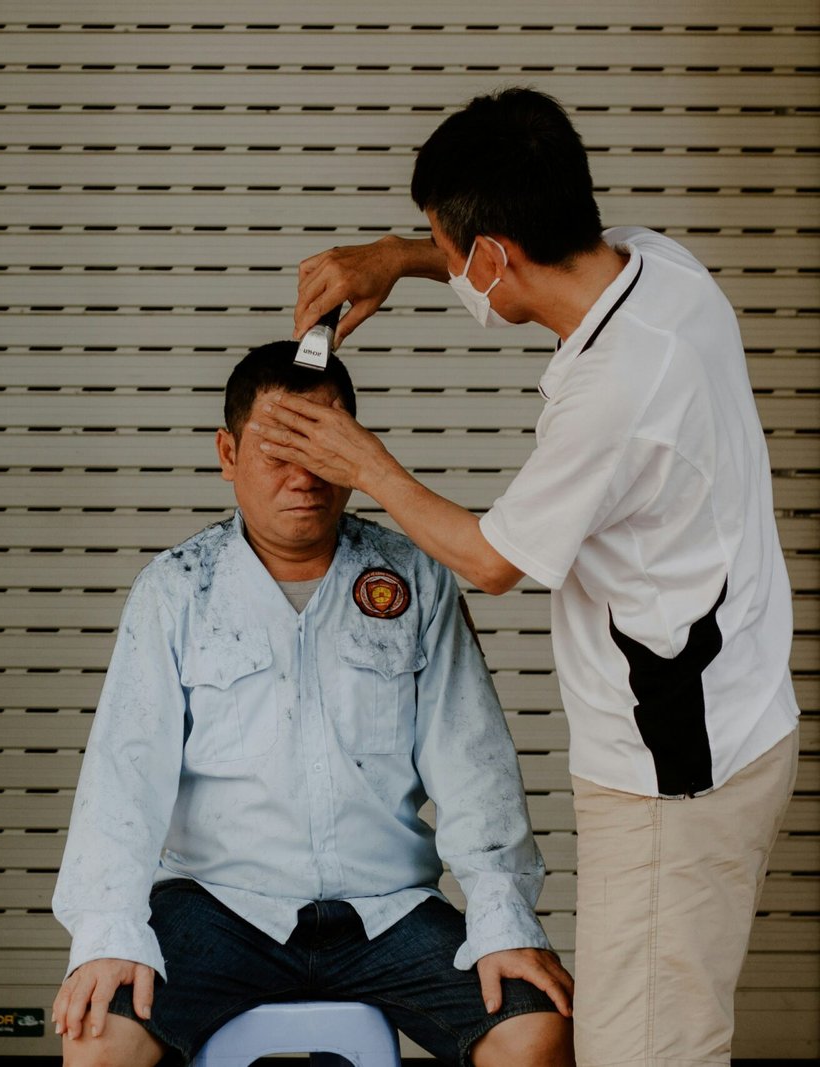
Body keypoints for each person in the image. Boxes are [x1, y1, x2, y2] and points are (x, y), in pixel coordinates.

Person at [266, 87, 800, 1067]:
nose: (449, 263)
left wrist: (363, 461)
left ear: (493, 254)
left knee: (644, 1051)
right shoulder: (659, 270)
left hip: (669, 782)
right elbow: (504, 259)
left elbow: (494, 558)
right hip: (745, 717)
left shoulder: (611, 391)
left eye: (449, 244)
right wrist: (400, 255)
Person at [50, 343, 575, 1067]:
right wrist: (108, 930)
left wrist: (503, 916)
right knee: (98, 1034)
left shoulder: (412, 578)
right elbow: (122, 774)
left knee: (533, 1026)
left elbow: (474, 762)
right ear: (227, 453)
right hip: (218, 905)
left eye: (326, 449)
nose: (304, 478)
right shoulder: (177, 589)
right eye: (276, 452)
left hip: (384, 909)